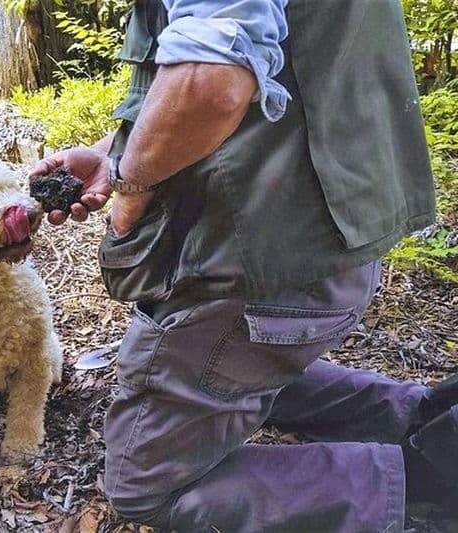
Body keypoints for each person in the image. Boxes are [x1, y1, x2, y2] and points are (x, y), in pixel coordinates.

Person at [29, 0, 457, 531]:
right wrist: (113, 155)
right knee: (239, 367)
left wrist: (131, 185)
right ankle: (428, 420)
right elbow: (269, 69)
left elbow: (212, 81)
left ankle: (429, 480)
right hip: (330, 245)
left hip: (258, 269)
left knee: (146, 487)